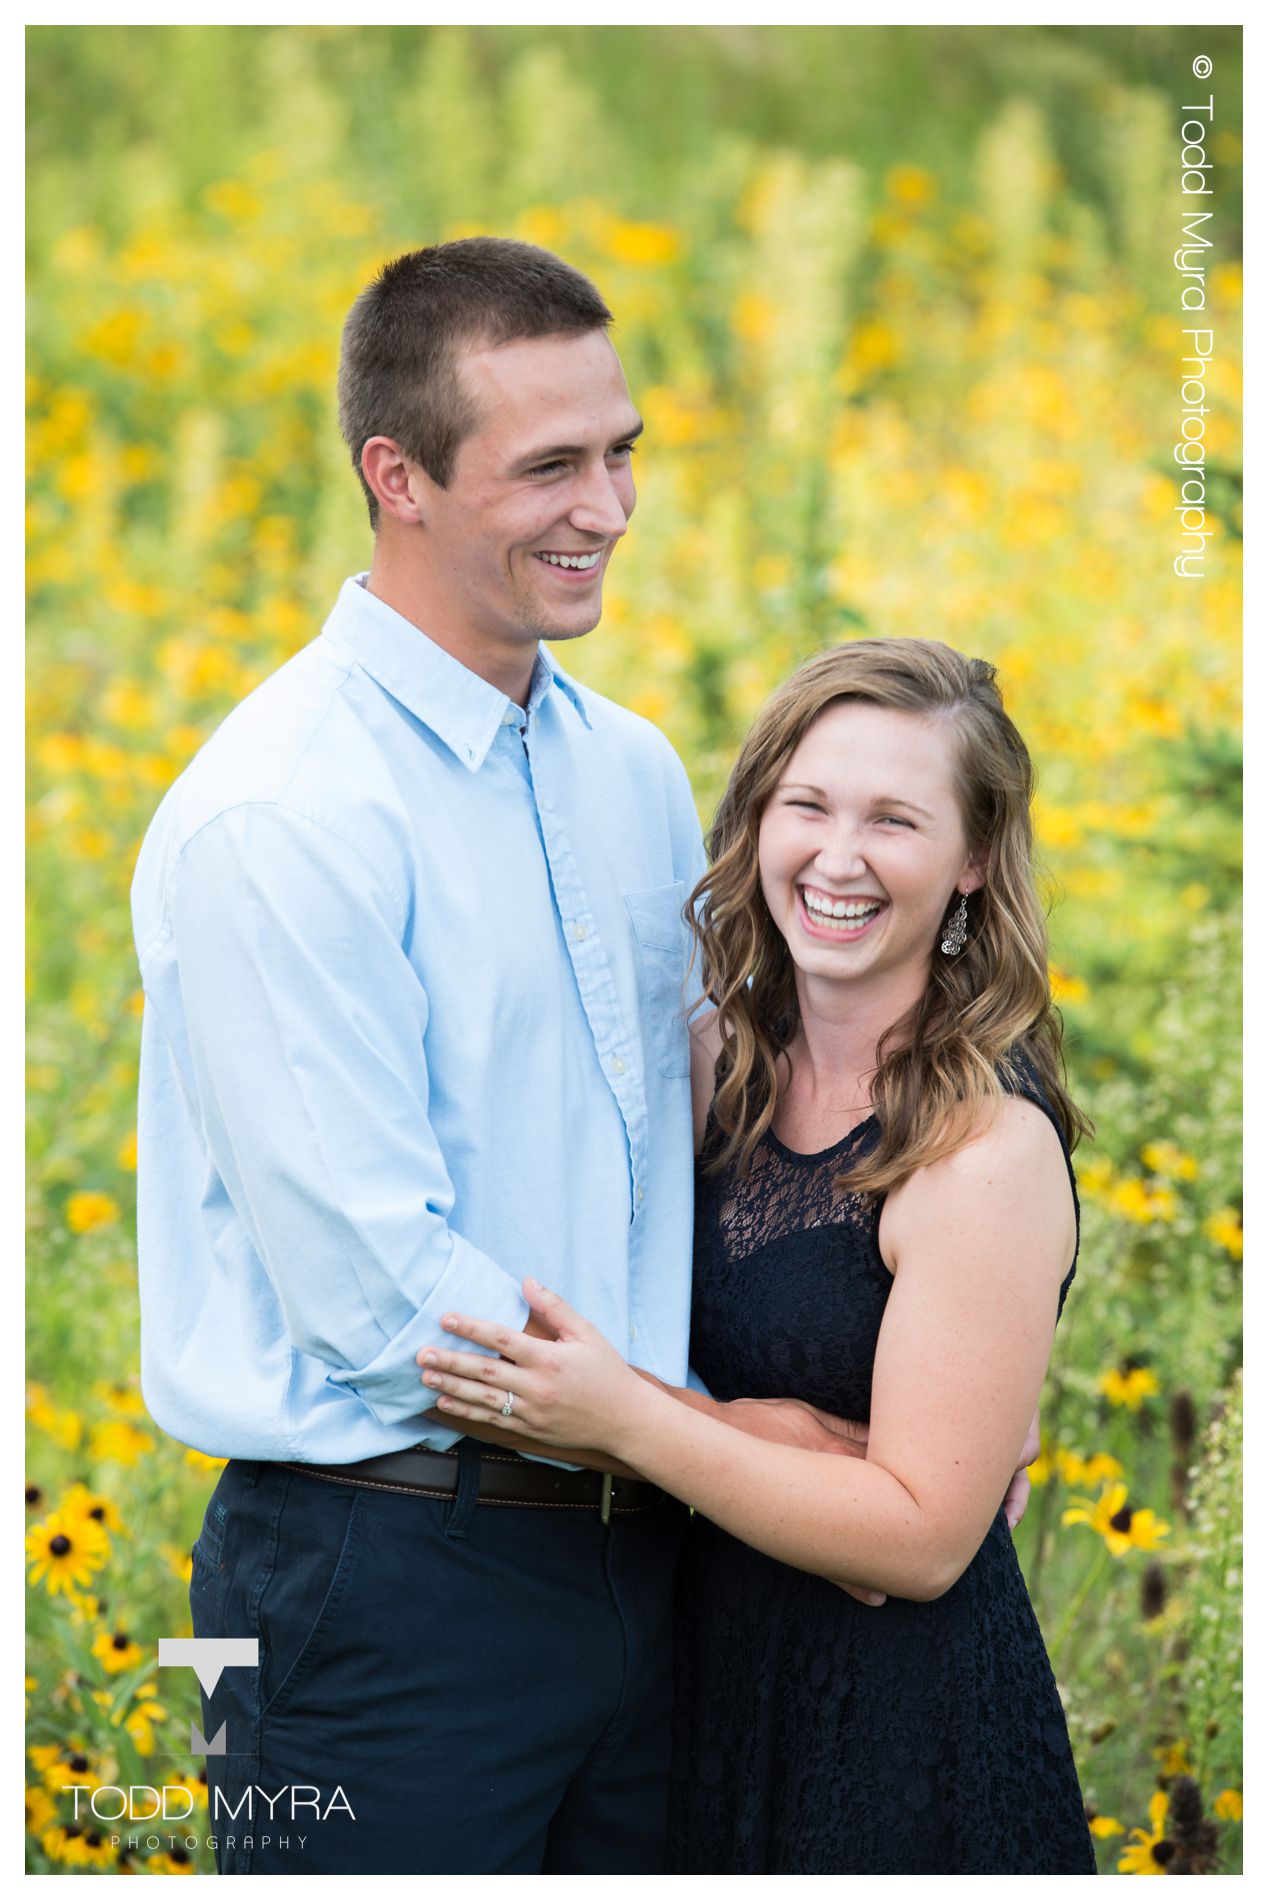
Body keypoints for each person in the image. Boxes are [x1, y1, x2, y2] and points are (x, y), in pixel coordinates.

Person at [131, 238, 899, 1877]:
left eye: (620, 451)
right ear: (393, 476)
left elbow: (693, 1119)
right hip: (372, 1590)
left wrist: (918, 1319)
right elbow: (375, 1289)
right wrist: (711, 1434)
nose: (607, 507)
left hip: (643, 1566)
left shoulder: (622, 768)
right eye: (549, 465)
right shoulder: (284, 814)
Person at [418, 637, 1099, 1875]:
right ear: (754, 822)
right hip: (684, 1678)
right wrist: (769, 1425)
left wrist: (639, 1418)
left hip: (891, 1727)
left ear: (972, 862)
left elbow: (918, 1539)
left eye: (895, 819)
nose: (837, 858)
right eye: (807, 806)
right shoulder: (707, 1062)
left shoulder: (979, 1146)